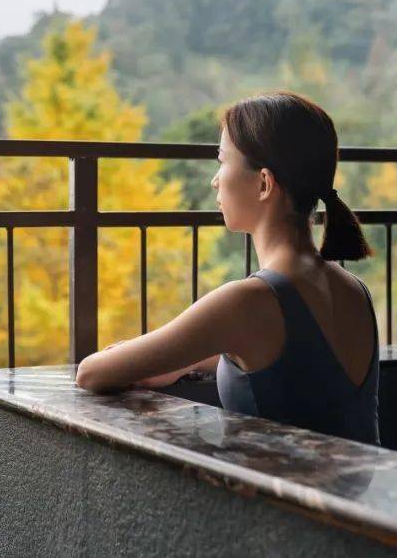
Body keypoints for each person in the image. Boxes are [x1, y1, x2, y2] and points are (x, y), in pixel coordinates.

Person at [74, 90, 380, 444]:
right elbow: (298, 364)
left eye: (222, 161)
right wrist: (190, 358)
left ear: (264, 183)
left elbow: (92, 372)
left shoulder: (247, 302)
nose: (215, 180)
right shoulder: (355, 290)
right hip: (358, 496)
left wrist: (166, 358)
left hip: (273, 500)